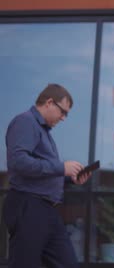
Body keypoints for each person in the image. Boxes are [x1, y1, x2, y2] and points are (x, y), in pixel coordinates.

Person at [2, 83, 92, 268]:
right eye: (63, 111)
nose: (64, 118)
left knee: (67, 263)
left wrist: (70, 177)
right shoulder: (25, 122)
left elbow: (44, 171)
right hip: (28, 205)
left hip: (46, 209)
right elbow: (18, 162)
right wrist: (61, 168)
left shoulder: (43, 132)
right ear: (49, 102)